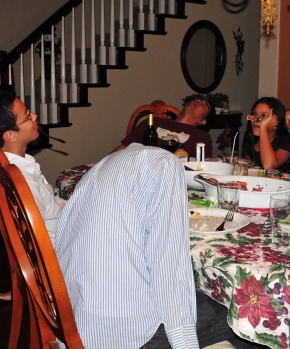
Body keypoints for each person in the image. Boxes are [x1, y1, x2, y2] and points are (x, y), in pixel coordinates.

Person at [55, 144, 237, 349]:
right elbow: (168, 264)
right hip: (125, 331)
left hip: (74, 317)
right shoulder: (166, 164)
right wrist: (184, 342)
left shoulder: (103, 165)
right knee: (238, 312)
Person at [0, 90, 66, 301]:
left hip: (62, 222)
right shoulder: (23, 181)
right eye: (27, 115)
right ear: (9, 135)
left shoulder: (5, 164)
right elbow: (37, 243)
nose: (35, 116)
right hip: (65, 246)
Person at [112, 98, 213, 159]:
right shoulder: (154, 122)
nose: (199, 101)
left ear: (202, 121)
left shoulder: (201, 137)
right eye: (199, 100)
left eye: (205, 105)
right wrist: (104, 164)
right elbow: (124, 147)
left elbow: (200, 167)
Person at [241, 97, 290, 173]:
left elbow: (269, 166)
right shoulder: (251, 137)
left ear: (276, 121)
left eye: (264, 115)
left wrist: (263, 127)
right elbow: (245, 168)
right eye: (254, 114)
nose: (256, 119)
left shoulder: (288, 140)